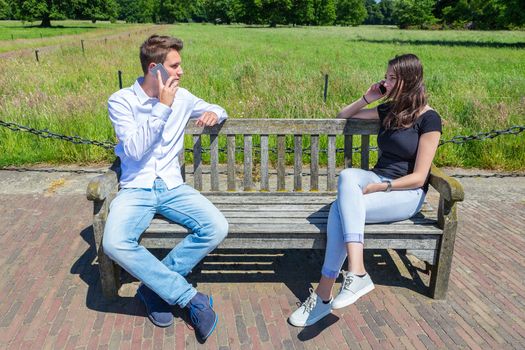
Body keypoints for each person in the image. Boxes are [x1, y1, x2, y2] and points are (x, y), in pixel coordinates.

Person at [289, 54, 442, 327]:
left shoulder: (429, 119)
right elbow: (342, 117)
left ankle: (324, 294)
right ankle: (357, 272)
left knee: (340, 209)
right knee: (348, 177)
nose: (387, 81)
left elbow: (419, 178)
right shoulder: (390, 110)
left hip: (404, 193)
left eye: (393, 78)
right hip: (376, 180)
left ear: (410, 80)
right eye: (387, 76)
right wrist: (367, 97)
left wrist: (382, 187)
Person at [103, 35, 229, 341]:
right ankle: (188, 298)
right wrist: (161, 108)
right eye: (175, 66)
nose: (181, 71)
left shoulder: (183, 98)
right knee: (114, 243)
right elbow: (132, 151)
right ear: (155, 69)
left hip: (172, 187)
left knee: (216, 227)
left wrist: (214, 113)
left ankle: (154, 289)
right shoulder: (121, 101)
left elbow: (217, 108)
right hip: (136, 188)